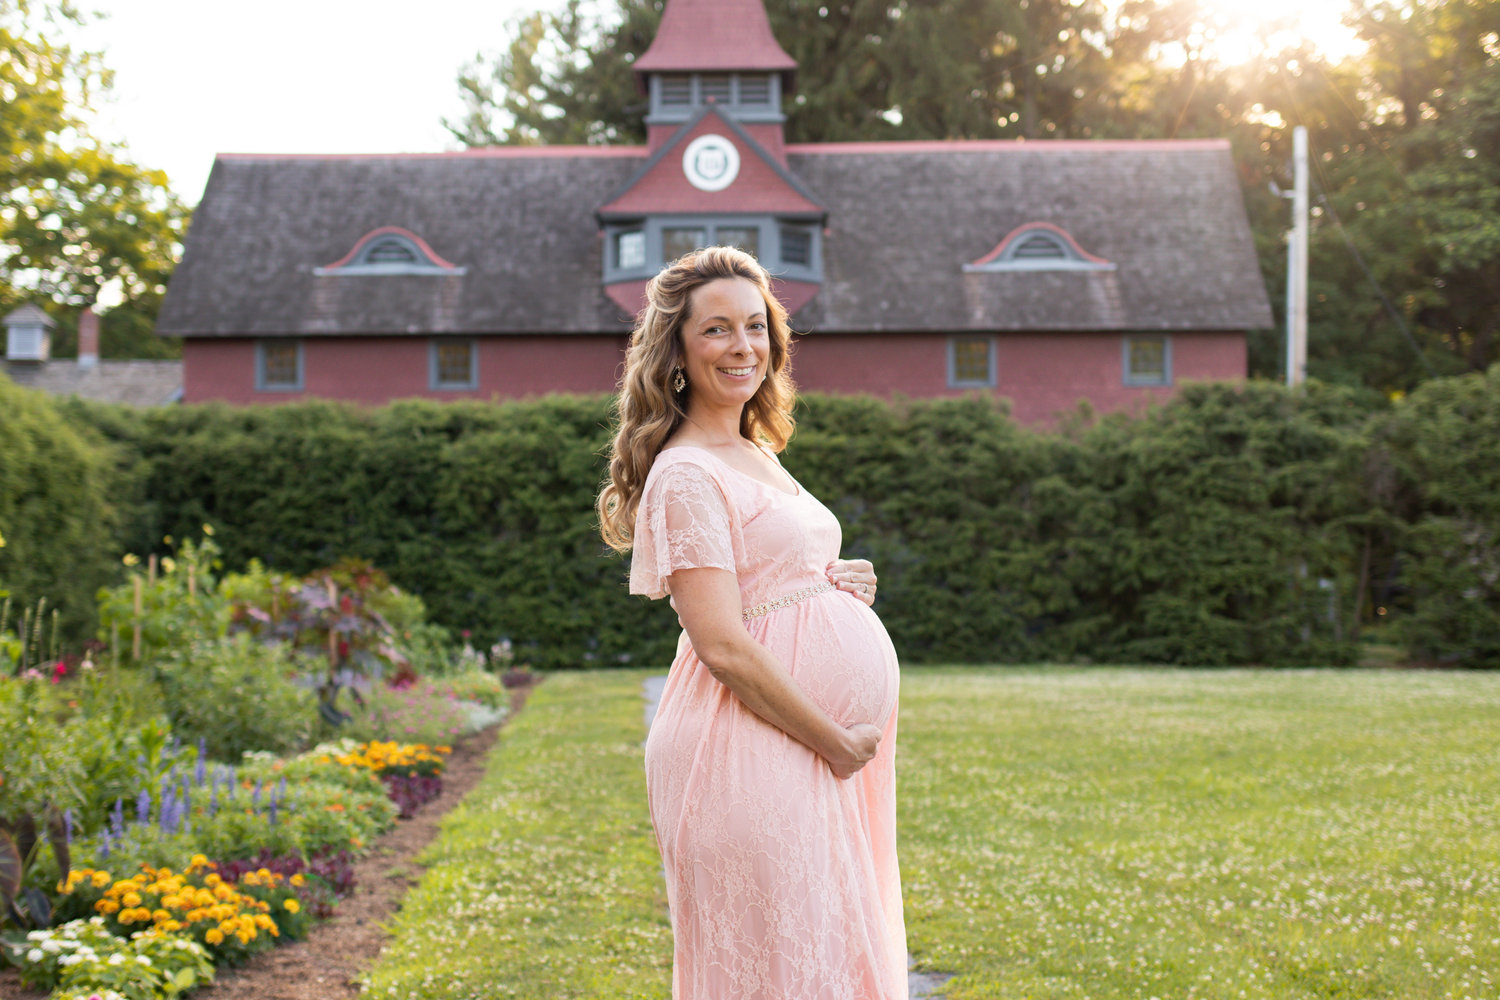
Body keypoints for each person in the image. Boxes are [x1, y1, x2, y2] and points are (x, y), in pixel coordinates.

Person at [598, 246, 907, 999]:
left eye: (755, 326)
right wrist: (834, 741)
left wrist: (833, 581)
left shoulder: (753, 449)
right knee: (779, 971)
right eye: (716, 331)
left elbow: (770, 576)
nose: (743, 347)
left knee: (824, 959)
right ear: (675, 351)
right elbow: (724, 646)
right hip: (746, 753)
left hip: (798, 751)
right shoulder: (686, 472)